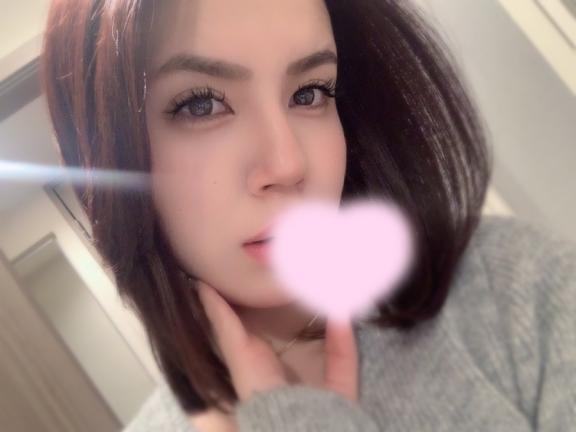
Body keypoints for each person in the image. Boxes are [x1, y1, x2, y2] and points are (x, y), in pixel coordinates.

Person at [40, 0, 576, 430]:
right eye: (201, 105)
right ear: (110, 153)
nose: (287, 163)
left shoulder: (511, 285)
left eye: (309, 92)